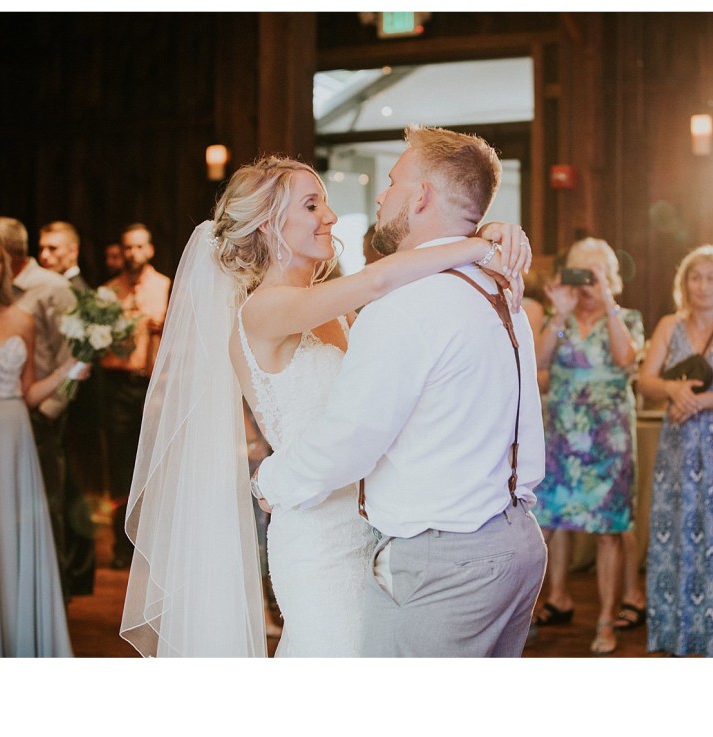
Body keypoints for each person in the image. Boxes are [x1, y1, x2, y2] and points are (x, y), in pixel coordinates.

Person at [120, 146, 534, 657]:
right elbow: (381, 277)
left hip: (371, 529)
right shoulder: (263, 312)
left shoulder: (335, 310)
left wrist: (485, 233)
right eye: (312, 205)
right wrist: (476, 246)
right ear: (270, 226)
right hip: (315, 535)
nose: (331, 216)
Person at [253, 127, 546, 658]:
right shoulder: (497, 286)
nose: (379, 196)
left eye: (391, 183)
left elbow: (352, 438)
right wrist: (484, 238)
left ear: (422, 197)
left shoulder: (408, 304)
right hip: (514, 541)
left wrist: (268, 480)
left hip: (444, 562)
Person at [637, 245, 713, 657]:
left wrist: (697, 402)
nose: (703, 285)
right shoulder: (669, 325)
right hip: (679, 453)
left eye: (712, 277)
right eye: (696, 277)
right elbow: (645, 381)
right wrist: (672, 389)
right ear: (684, 283)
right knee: (679, 535)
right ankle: (677, 633)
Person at [532, 237, 643, 655]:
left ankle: (606, 621)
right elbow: (540, 362)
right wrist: (558, 314)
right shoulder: (559, 318)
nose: (587, 282)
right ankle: (543, 604)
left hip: (608, 440)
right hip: (562, 436)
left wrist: (608, 303)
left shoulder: (626, 317)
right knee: (546, 522)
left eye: (594, 274)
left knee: (609, 531)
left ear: (609, 277)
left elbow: (625, 358)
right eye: (581, 272)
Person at [0, 231, 89, 656]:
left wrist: (69, 370)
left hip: (14, 430)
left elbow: (30, 390)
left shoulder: (20, 319)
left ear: (7, 267)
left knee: (13, 528)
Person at [100, 224, 172, 570]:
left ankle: (152, 542)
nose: (133, 253)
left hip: (153, 382)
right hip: (117, 384)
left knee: (154, 463)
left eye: (139, 246)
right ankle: (120, 544)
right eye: (128, 247)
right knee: (119, 465)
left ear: (150, 250)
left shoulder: (164, 285)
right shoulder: (109, 291)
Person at [38, 220, 99, 596]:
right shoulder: (55, 288)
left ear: (72, 252)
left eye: (53, 249)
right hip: (59, 400)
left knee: (72, 490)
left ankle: (75, 572)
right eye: (42, 249)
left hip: (73, 407)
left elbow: (83, 354)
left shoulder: (78, 292)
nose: (45, 256)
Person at [39, 221, 86, 291]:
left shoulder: (79, 293)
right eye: (41, 249)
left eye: (52, 248)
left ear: (72, 252)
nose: (44, 255)